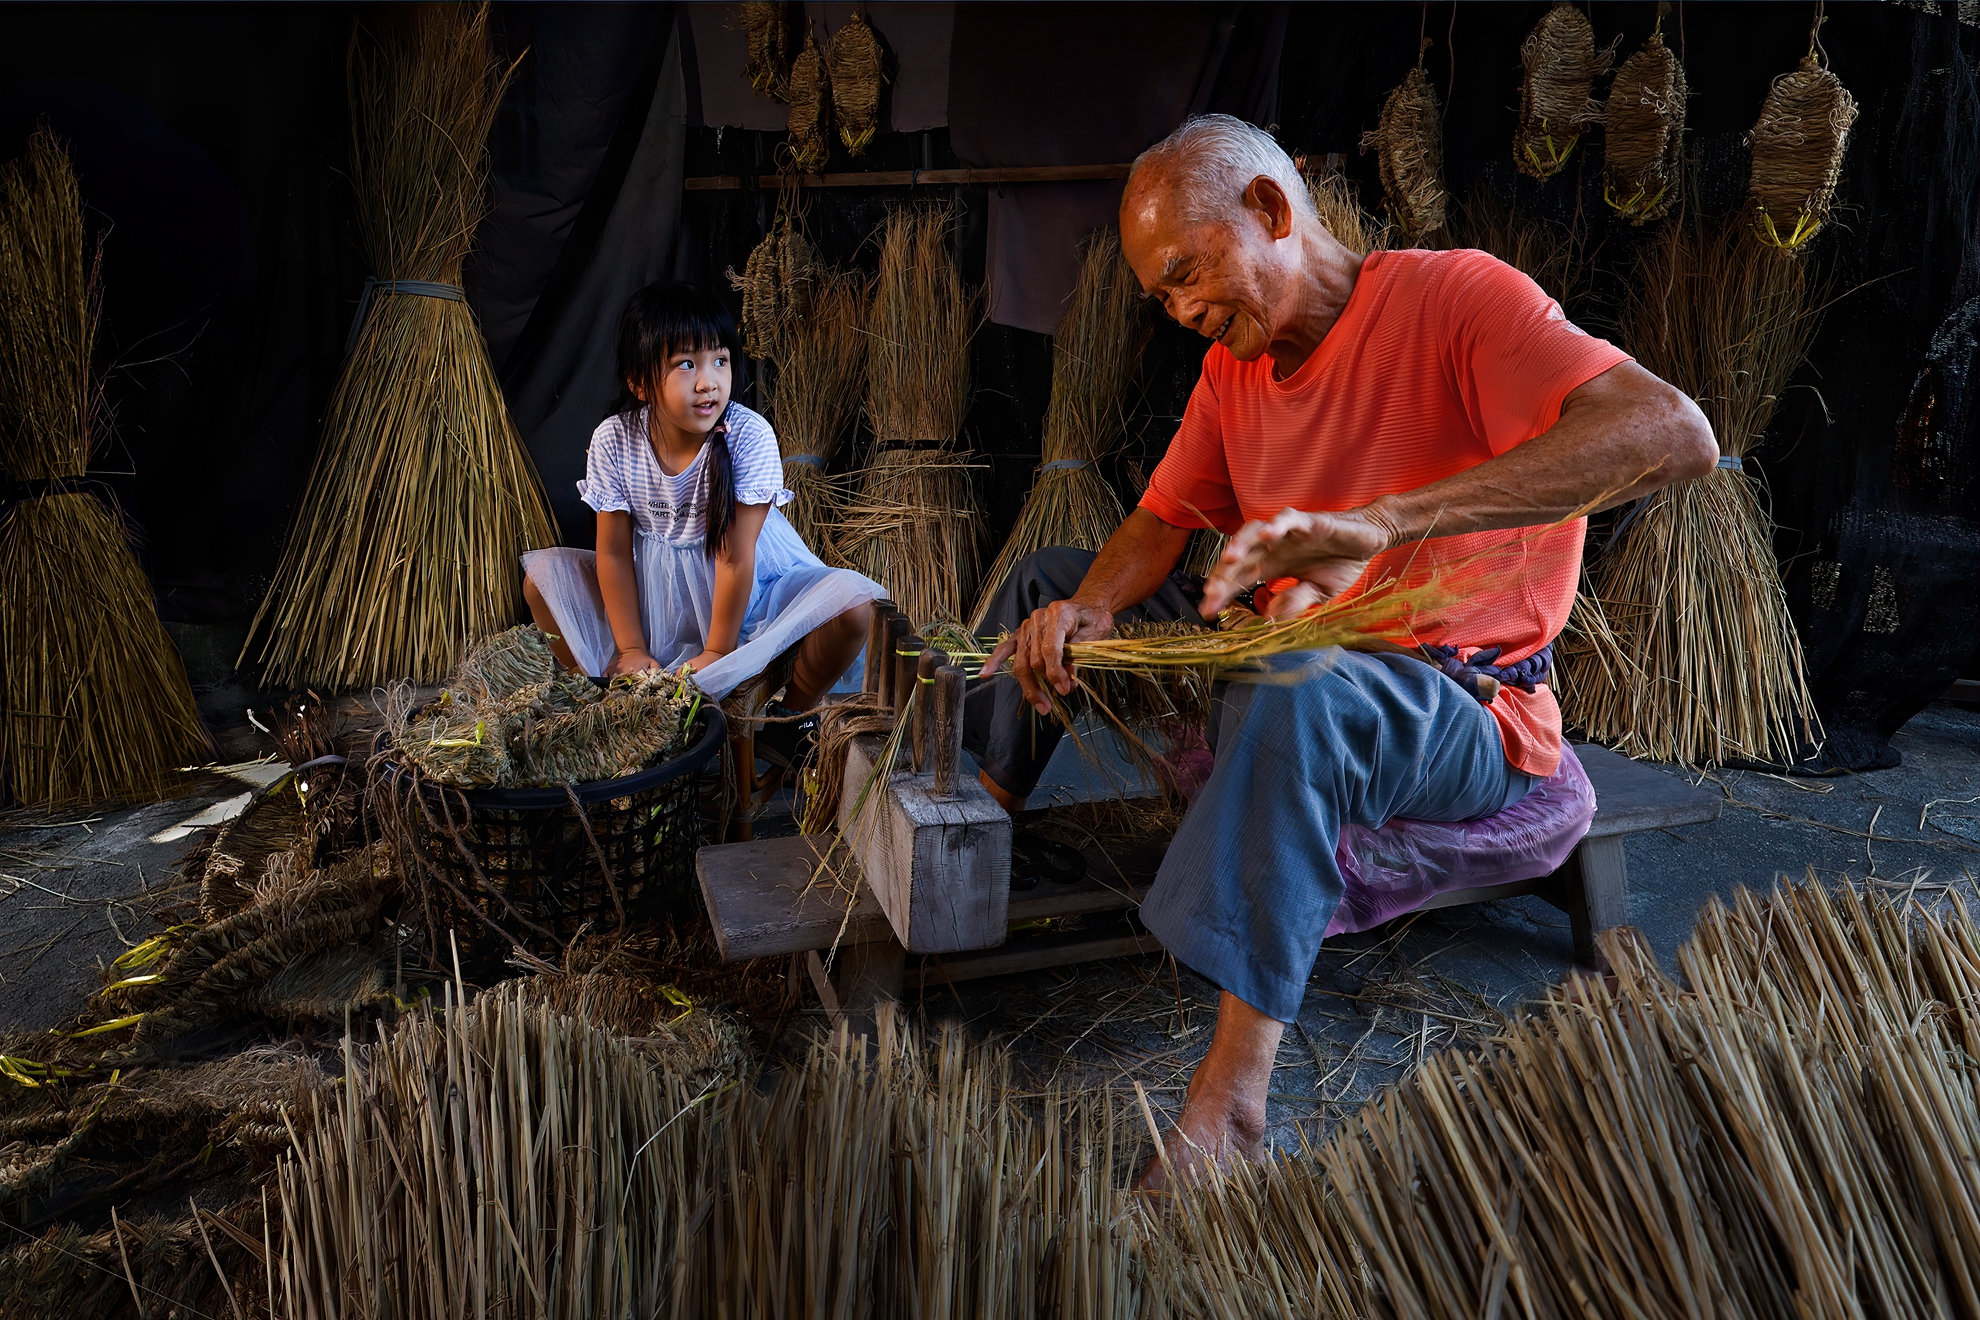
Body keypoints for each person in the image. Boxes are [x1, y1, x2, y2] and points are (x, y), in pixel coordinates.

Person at [972, 116, 1716, 1190]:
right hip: (1281, 658)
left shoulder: (1458, 299)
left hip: (1457, 706)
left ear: (1271, 210)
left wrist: (1380, 524)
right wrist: (1089, 609)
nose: (1181, 311)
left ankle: (1229, 1108)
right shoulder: (1236, 372)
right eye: (1161, 297)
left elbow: (1670, 434)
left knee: (1301, 687)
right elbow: (1160, 519)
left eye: (1187, 274)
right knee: (1050, 579)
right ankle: (971, 831)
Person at [521, 282, 879, 744]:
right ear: (640, 383)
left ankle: (792, 719)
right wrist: (630, 646)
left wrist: (717, 651)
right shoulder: (615, 440)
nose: (709, 381)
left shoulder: (749, 436)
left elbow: (733, 558)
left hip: (750, 594)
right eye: (686, 364)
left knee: (853, 606)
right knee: (541, 582)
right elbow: (611, 553)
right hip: (653, 595)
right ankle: (592, 699)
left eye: (720, 360)